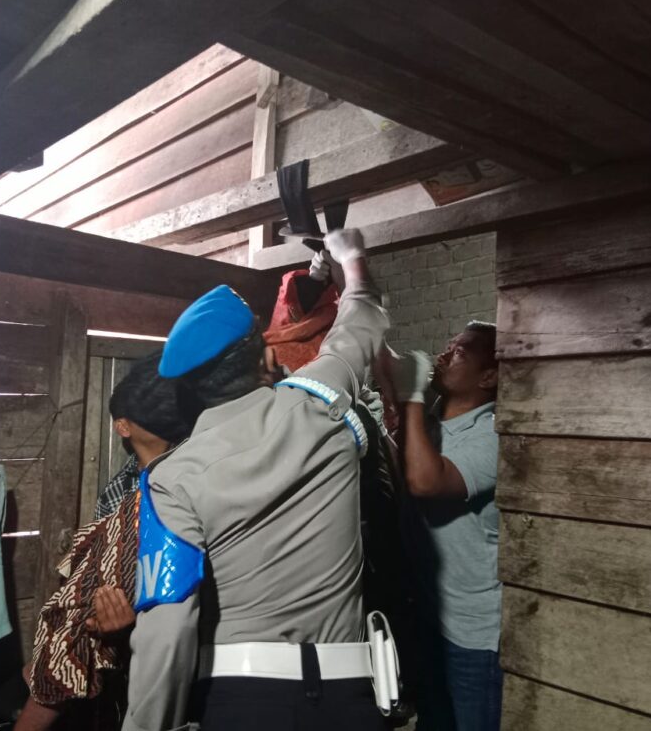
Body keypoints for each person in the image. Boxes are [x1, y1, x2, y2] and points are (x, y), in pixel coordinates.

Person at [122, 228, 390, 731]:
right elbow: (364, 321)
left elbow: (168, 627)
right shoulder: (321, 402)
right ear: (267, 357)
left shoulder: (172, 481)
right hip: (352, 701)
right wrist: (351, 259)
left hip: (242, 702)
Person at [15, 353, 190, 731]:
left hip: (175, 623)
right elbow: (106, 571)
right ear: (122, 426)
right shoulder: (119, 492)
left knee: (70, 636)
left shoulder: (186, 472)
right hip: (122, 634)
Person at [391, 322, 502, 731]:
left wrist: (412, 396)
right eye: (448, 345)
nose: (444, 354)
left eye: (459, 352)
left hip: (474, 634)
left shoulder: (493, 435)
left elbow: (426, 481)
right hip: (432, 618)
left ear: (488, 376)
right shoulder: (435, 425)